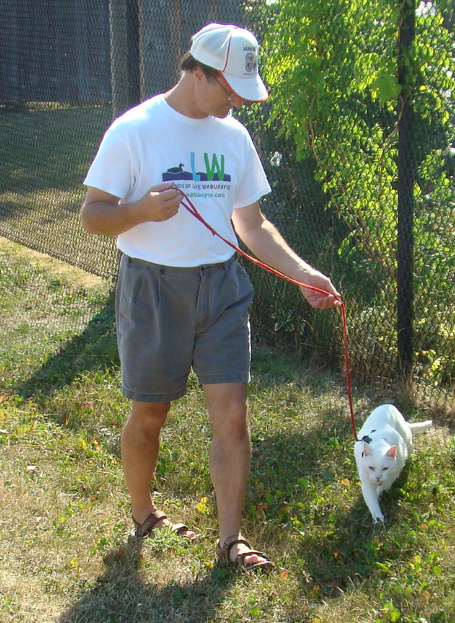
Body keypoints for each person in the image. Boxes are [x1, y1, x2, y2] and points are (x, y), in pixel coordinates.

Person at [80, 22, 340, 572]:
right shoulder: (135, 130)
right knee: (150, 412)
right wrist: (141, 211)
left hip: (222, 287)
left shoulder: (234, 137)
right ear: (196, 71)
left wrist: (302, 273)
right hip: (153, 286)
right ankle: (144, 514)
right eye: (229, 89)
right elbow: (92, 216)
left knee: (232, 413)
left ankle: (230, 541)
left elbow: (253, 224)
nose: (235, 102)